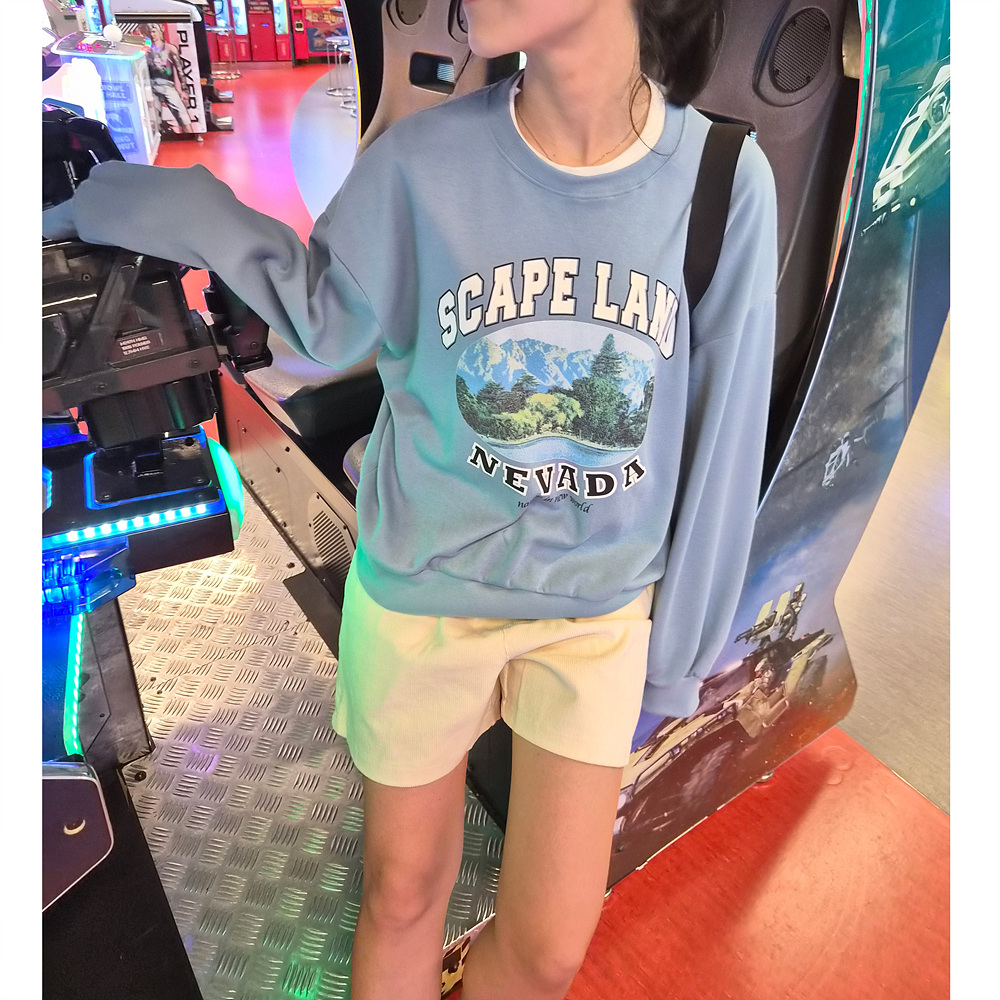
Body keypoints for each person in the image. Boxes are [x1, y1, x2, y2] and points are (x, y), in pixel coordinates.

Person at [42, 1, 777, 998]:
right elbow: (322, 318)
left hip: (596, 611)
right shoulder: (421, 165)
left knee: (550, 950)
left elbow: (725, 431)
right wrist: (141, 203)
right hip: (426, 590)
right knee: (400, 894)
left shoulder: (721, 180)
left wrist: (681, 654)